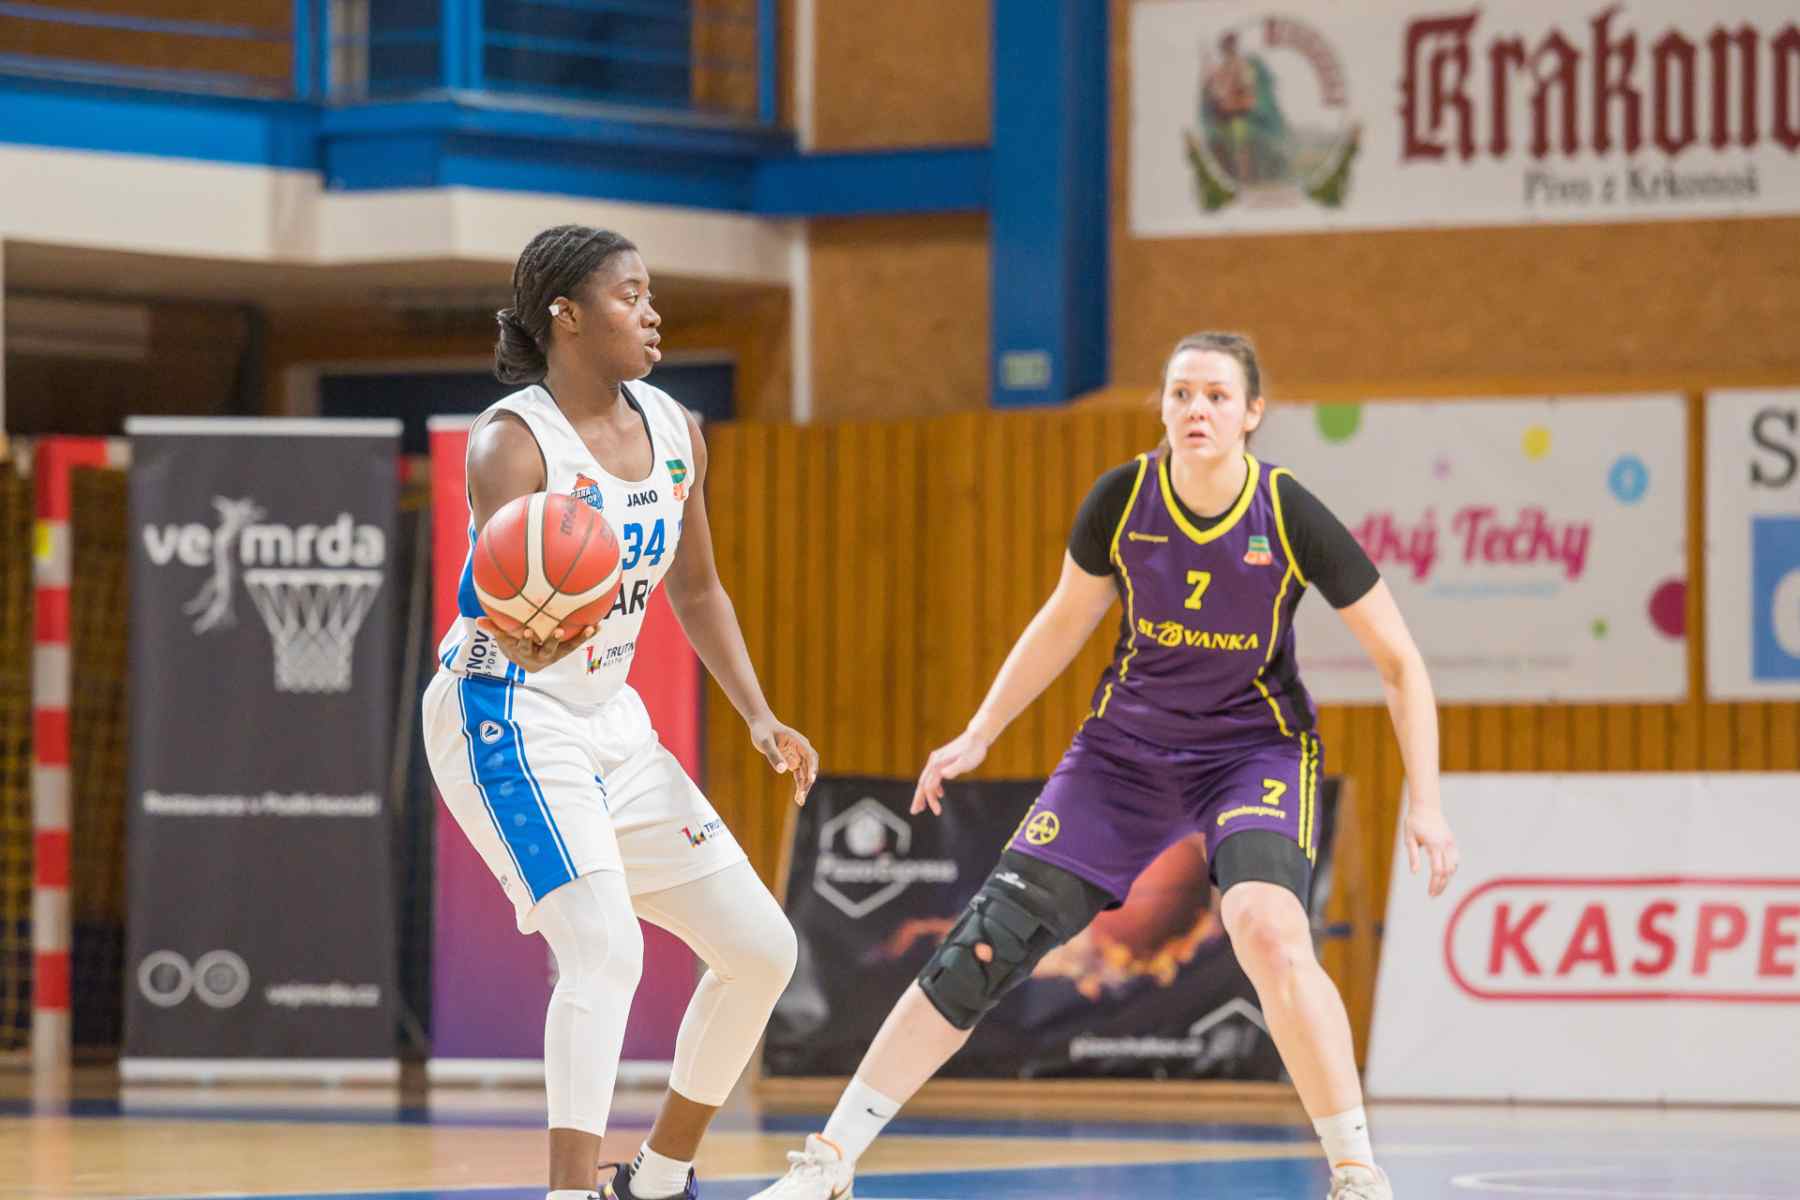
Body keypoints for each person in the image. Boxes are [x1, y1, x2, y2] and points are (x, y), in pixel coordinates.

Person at [750, 332, 1458, 1200]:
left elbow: (1400, 661)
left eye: (1217, 396)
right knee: (984, 943)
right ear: (1163, 405)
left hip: (1250, 752)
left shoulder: (1288, 512)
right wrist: (981, 731)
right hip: (1123, 756)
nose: (1196, 410)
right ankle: (830, 1161)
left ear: (1252, 413)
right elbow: (1062, 619)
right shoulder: (1123, 498)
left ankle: (1355, 1172)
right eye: (1181, 393)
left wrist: (1427, 803)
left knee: (1270, 930)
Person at [421, 225, 819, 1200]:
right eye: (629, 295)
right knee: (603, 949)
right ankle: (569, 1193)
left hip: (611, 723)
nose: (652, 313)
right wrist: (527, 630)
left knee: (762, 951)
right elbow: (493, 597)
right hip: (506, 711)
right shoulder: (512, 442)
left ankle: (657, 1180)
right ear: (566, 314)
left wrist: (760, 714)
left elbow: (698, 588)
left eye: (650, 295)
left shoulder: (676, 428)